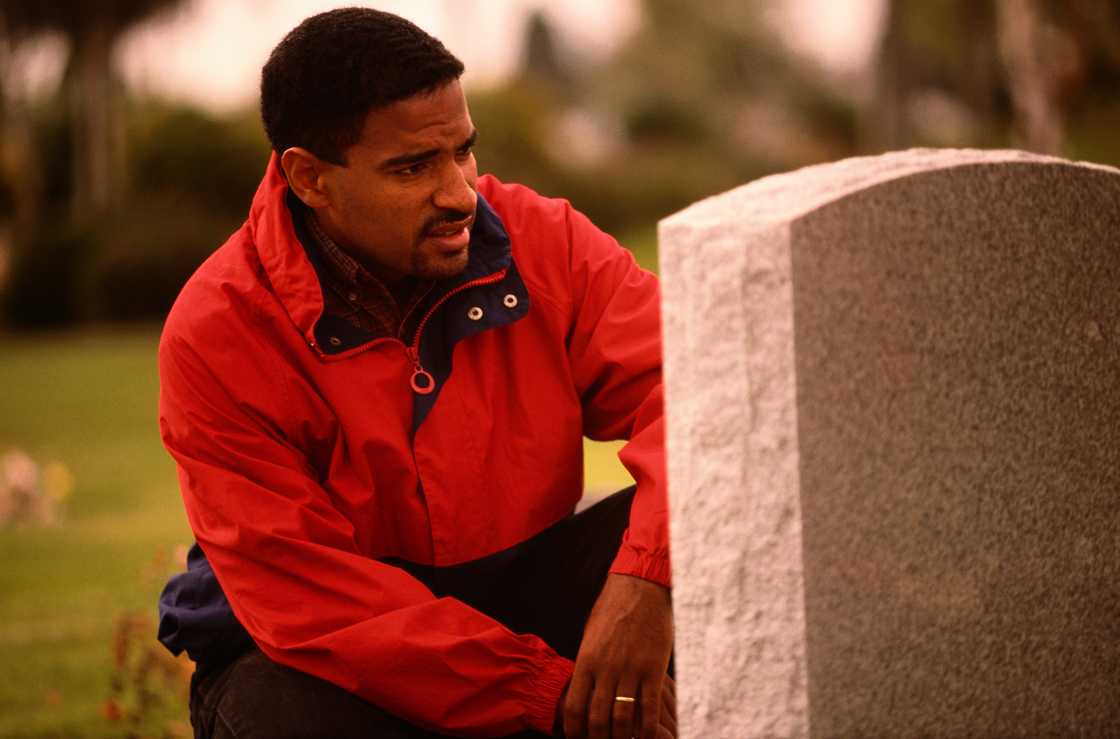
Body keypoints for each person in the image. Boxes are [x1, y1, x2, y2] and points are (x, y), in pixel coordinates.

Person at [155, 7, 674, 739]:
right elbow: (313, 604)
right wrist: (542, 690)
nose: (461, 192)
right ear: (309, 177)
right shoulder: (216, 331)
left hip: (521, 594)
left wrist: (647, 581)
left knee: (709, 542)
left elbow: (698, 396)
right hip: (312, 654)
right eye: (413, 168)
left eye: (463, 152)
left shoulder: (544, 240)